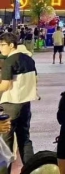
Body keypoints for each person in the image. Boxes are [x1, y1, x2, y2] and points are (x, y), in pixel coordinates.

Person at [0, 31, 37, 174]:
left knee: (6, 142)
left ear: (11, 45)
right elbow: (35, 80)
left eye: (3, 45)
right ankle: (32, 169)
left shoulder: (10, 60)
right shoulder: (29, 59)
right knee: (25, 138)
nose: (1, 48)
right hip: (26, 103)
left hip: (10, 104)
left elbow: (5, 85)